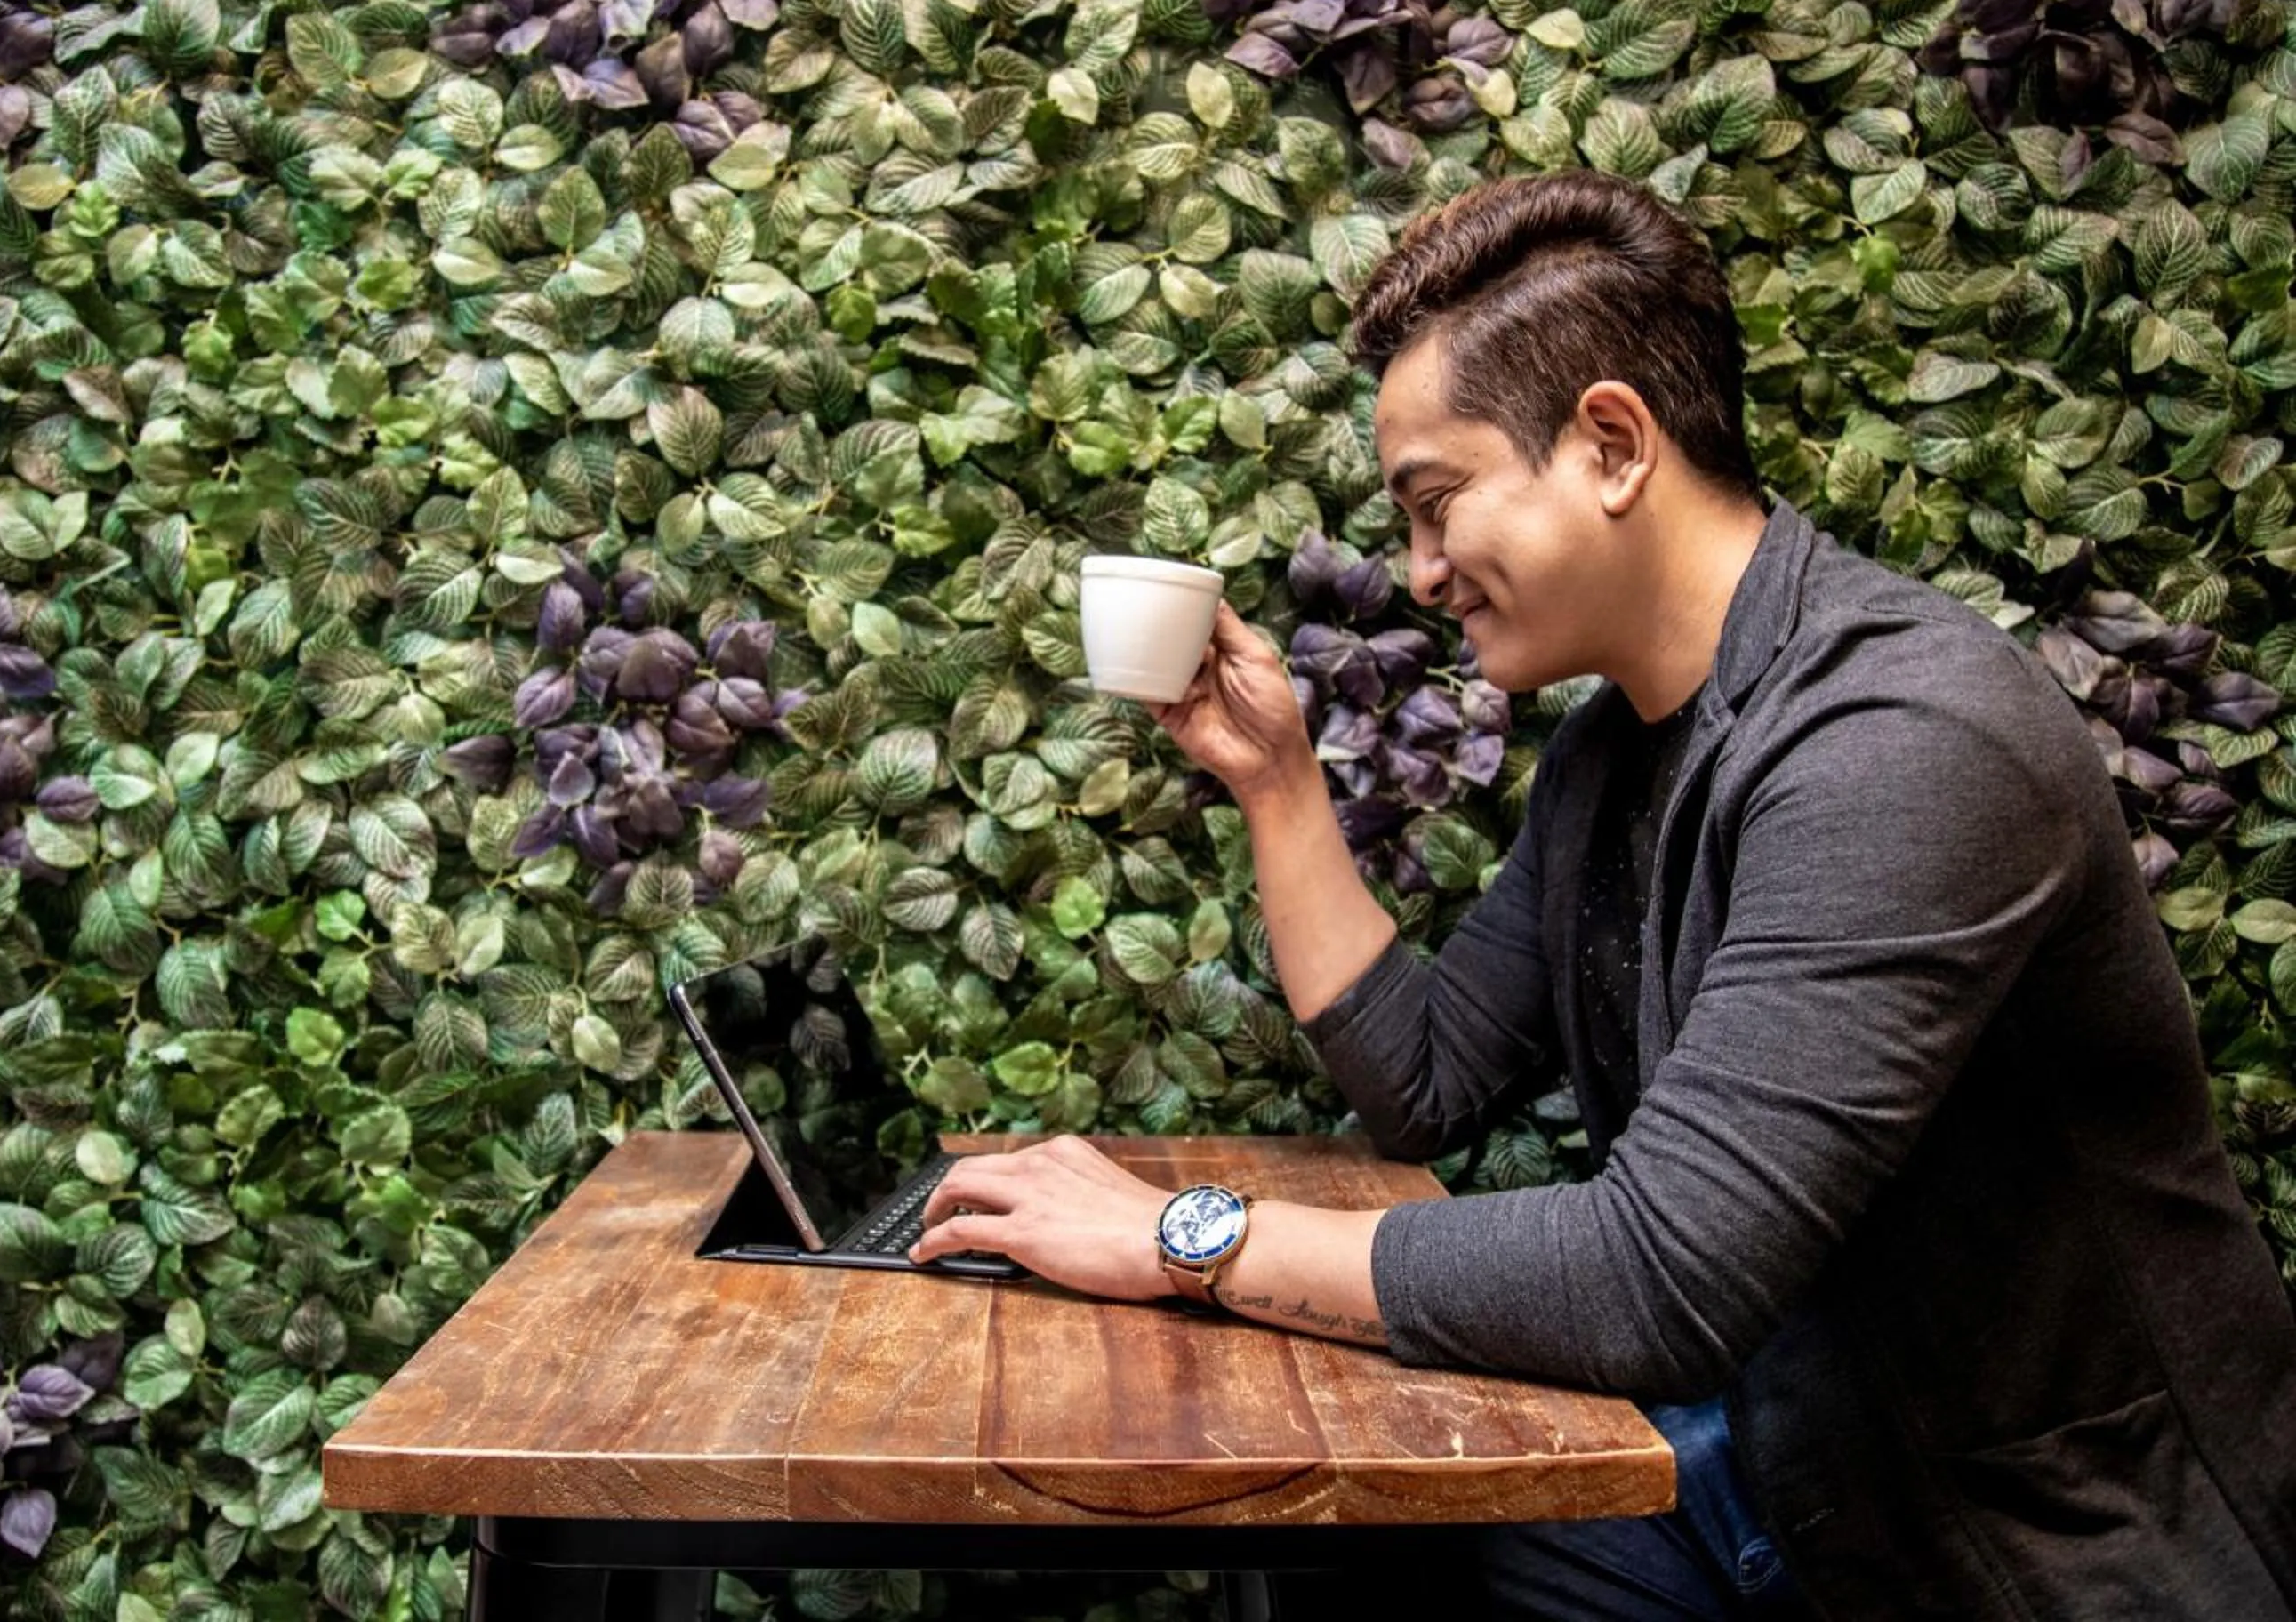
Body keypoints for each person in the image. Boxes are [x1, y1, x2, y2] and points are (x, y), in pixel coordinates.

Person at [909, 170, 2296, 1618]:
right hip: (1779, 1473)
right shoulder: (1615, 748)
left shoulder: (1904, 743)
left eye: (1437, 504)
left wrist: (1177, 1237)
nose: (1421, 571)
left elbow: (1659, 1279)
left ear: (1614, 444)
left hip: (2024, 1556)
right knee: (1328, 1553)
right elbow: (1426, 1082)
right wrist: (1276, 781)